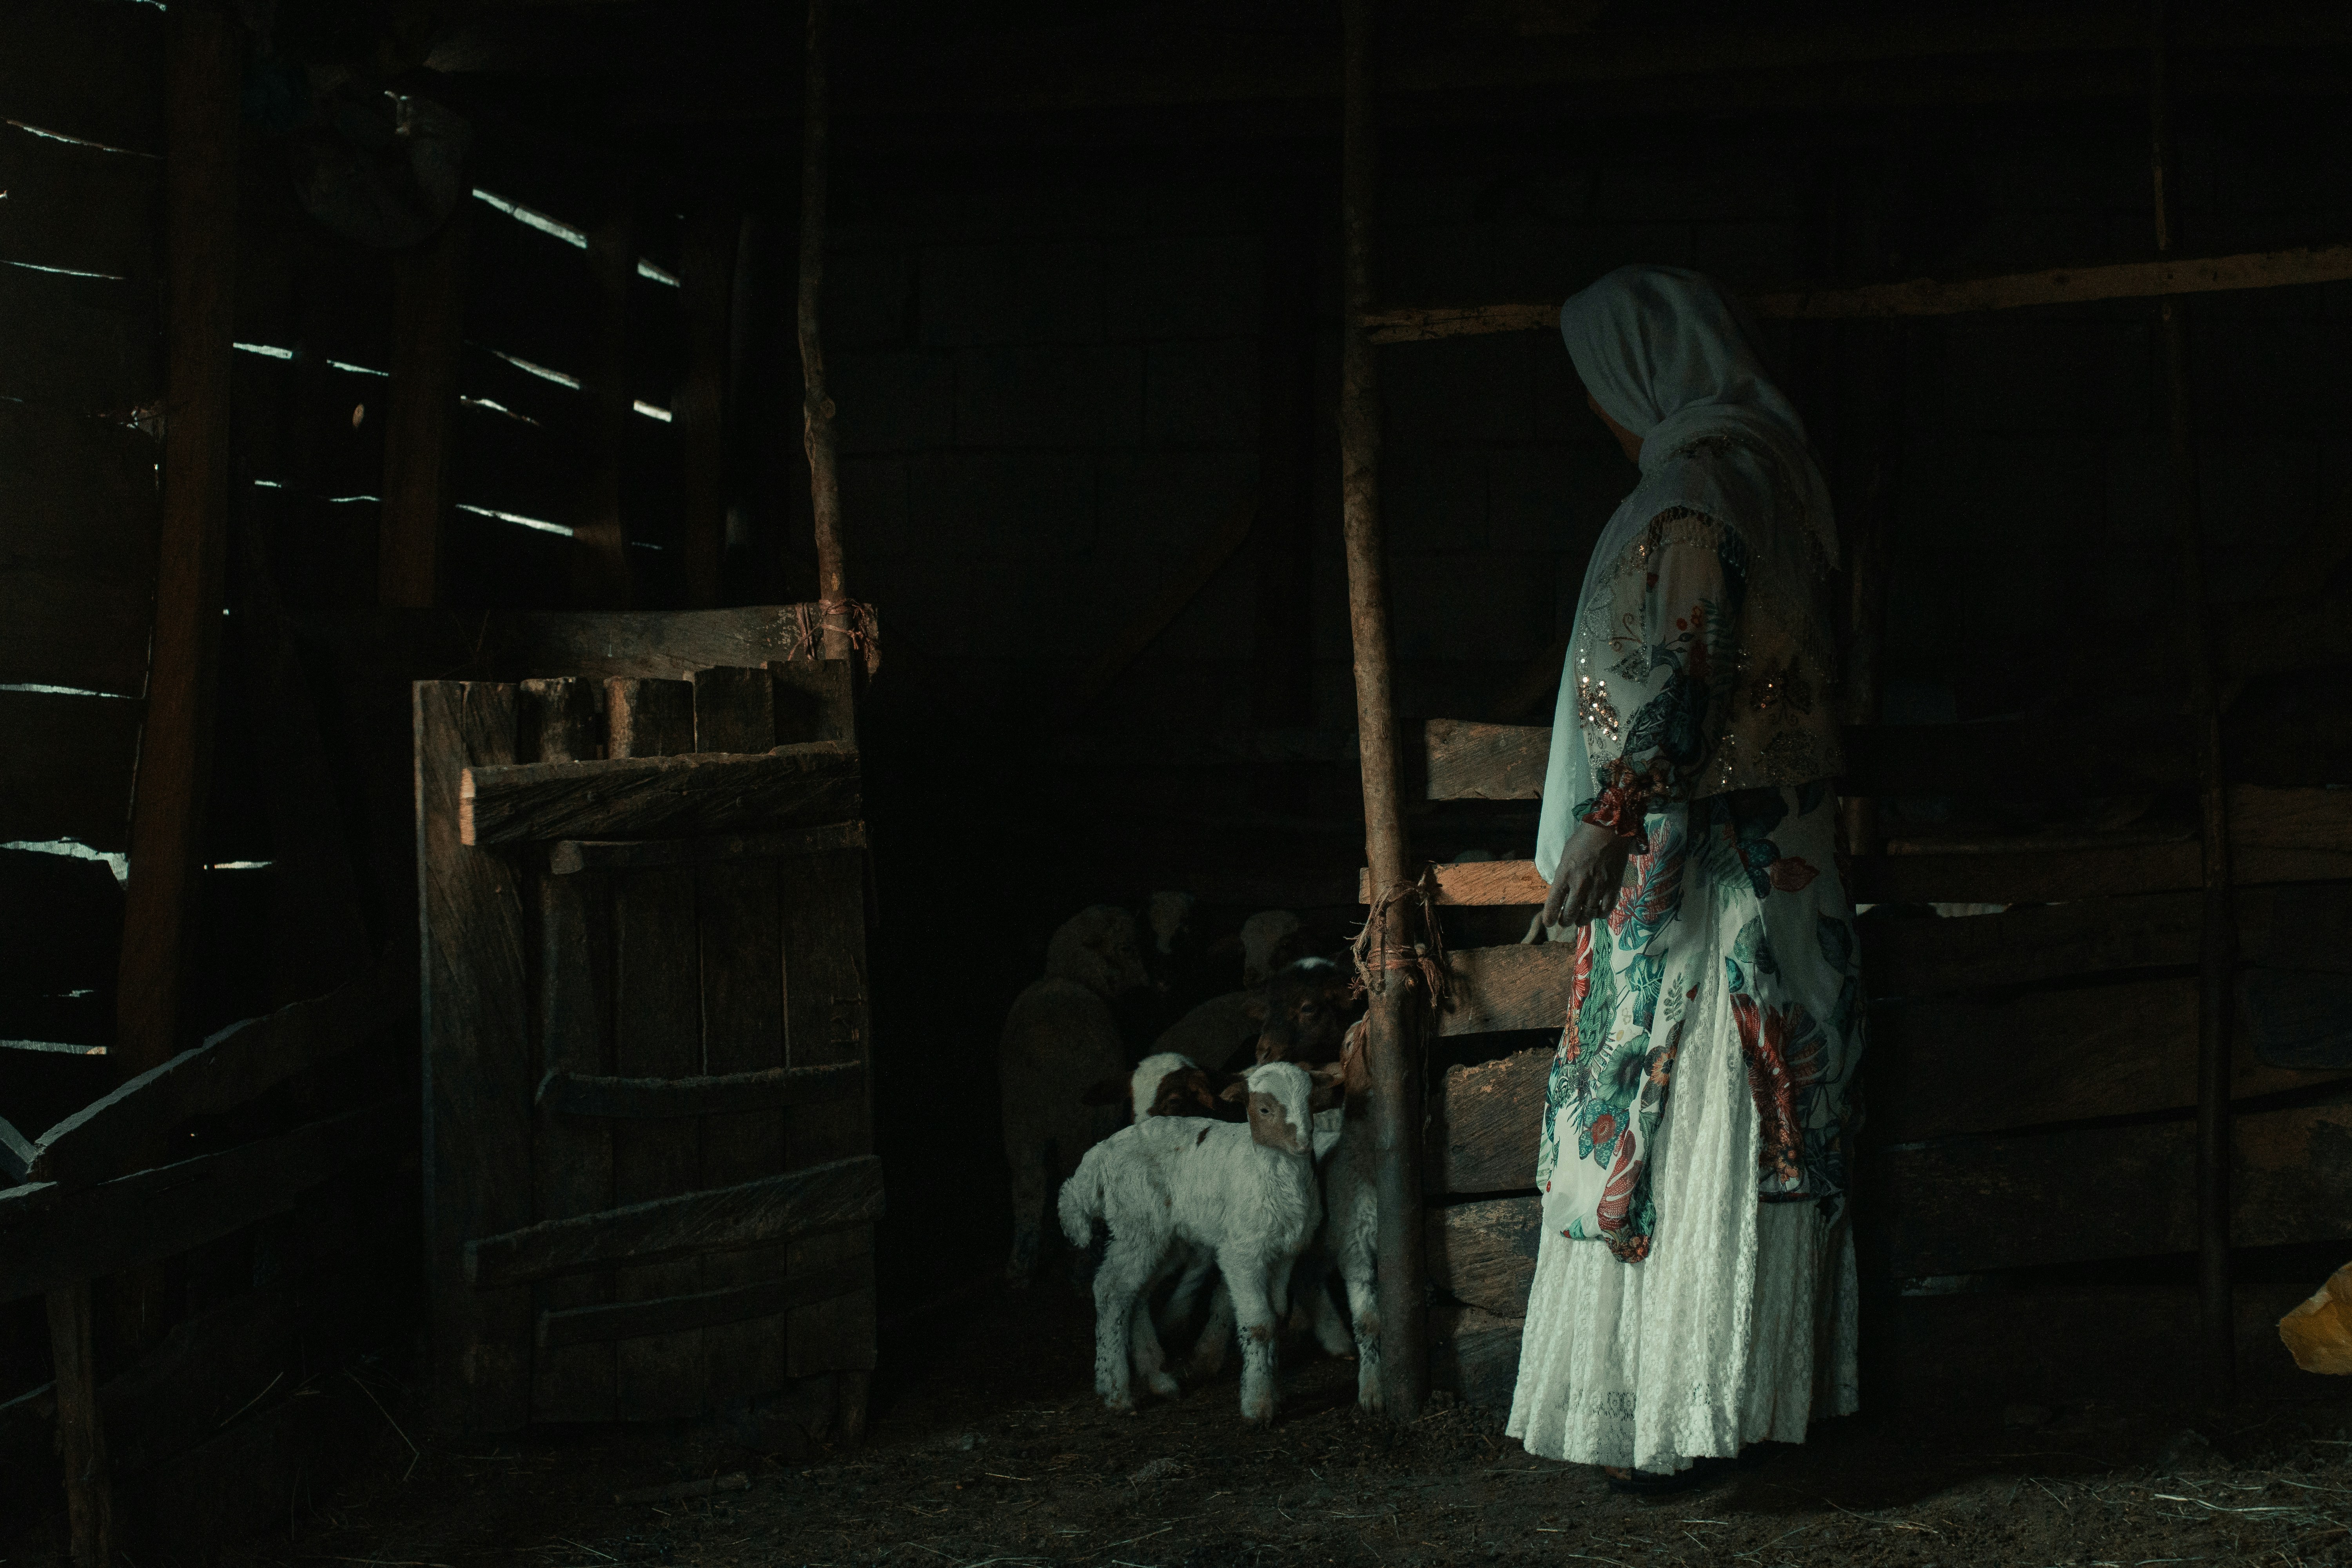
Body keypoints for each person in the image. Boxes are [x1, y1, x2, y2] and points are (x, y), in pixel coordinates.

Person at [1504, 265, 1865, 1494]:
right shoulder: (1779, 481)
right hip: (1775, 866)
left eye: (1599, 387)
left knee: (1679, 1104)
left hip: (1702, 875)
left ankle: (1671, 1416)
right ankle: (1736, 1405)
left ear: (1643, 375)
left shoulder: (1695, 491)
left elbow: (1688, 668)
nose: (1600, 414)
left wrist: (1609, 820)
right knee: (1748, 1108)